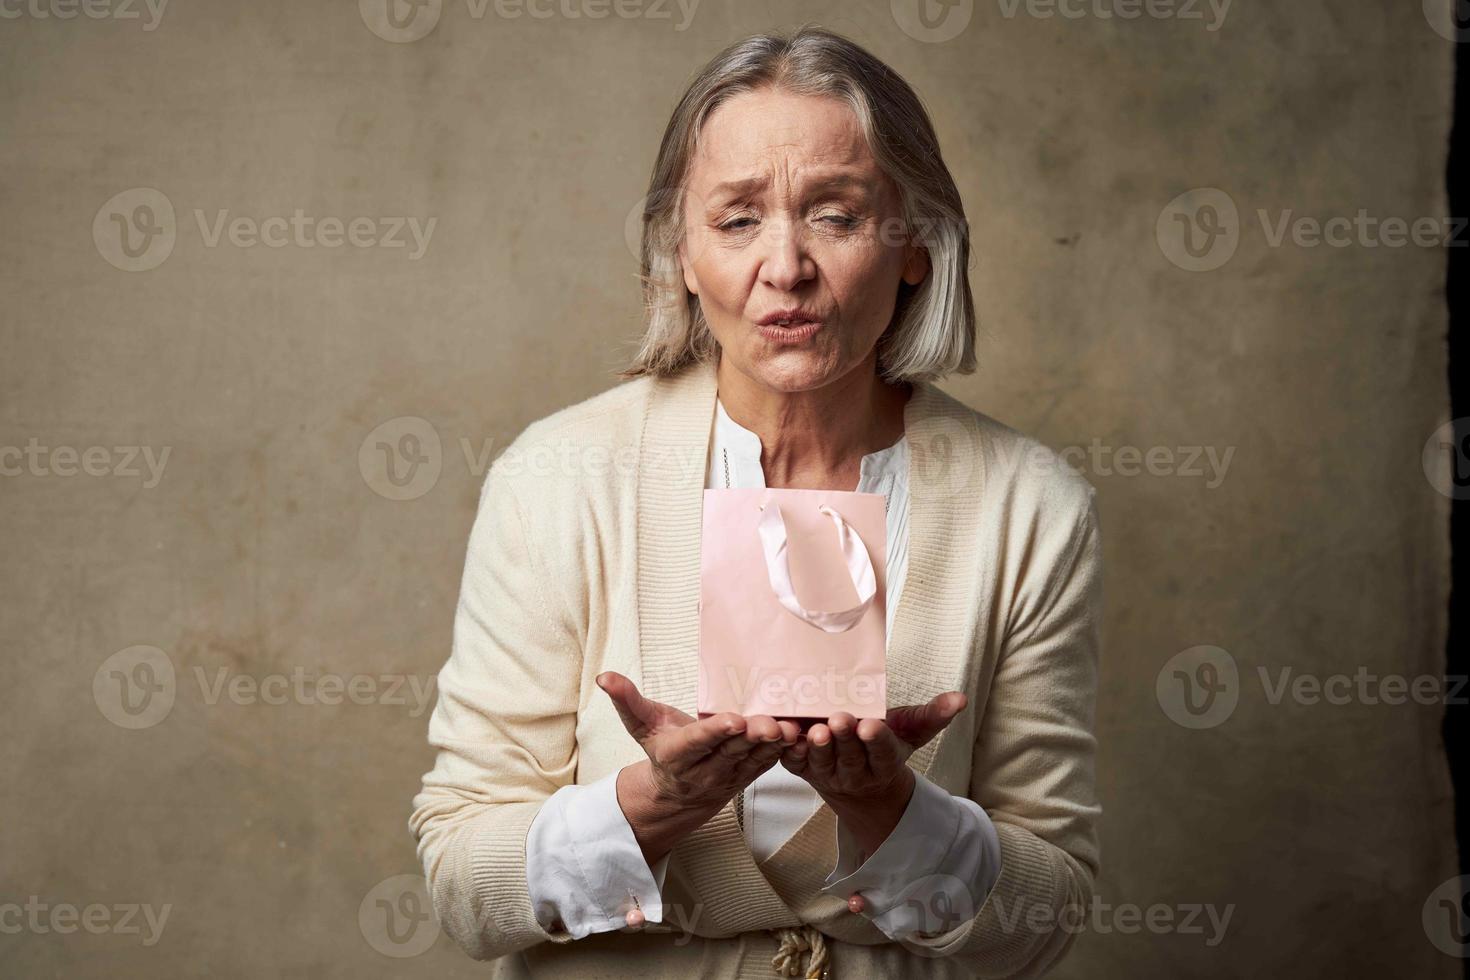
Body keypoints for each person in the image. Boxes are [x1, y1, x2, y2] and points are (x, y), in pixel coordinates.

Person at [410, 25, 1102, 980]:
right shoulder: (557, 478)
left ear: (914, 245)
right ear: (681, 253)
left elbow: (1046, 918)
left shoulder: (1029, 507)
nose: (786, 267)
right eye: (737, 220)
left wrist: (888, 809)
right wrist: (659, 802)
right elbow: (460, 884)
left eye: (837, 214)